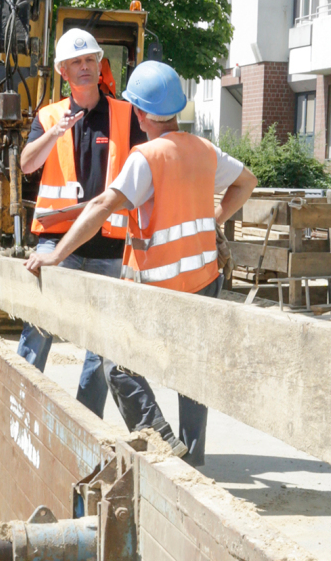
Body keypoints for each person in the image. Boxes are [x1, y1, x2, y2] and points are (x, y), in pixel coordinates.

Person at [24, 60, 258, 466]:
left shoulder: (146, 157)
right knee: (192, 374)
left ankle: (160, 446)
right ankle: (193, 455)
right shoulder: (204, 150)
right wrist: (216, 219)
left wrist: (57, 253)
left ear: (142, 112)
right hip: (204, 280)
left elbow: (102, 204)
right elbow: (247, 181)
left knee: (117, 362)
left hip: (161, 286)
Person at [15, 29, 190, 451]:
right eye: (77, 61)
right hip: (57, 245)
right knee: (38, 327)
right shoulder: (49, 116)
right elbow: (25, 165)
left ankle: (83, 426)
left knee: (103, 345)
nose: (86, 65)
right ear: (63, 71)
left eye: (91, 58)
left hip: (111, 244)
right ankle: (19, 406)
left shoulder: (126, 114)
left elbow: (162, 151)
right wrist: (55, 134)